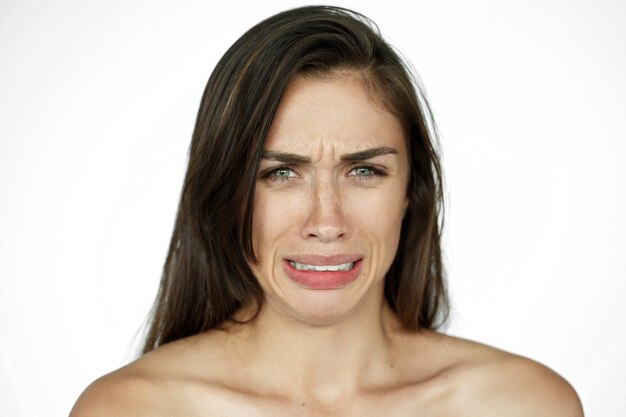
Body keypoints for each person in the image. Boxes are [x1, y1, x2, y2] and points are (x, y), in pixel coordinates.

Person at [70, 5, 583, 416]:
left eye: (364, 172)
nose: (326, 223)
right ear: (227, 191)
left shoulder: (527, 406)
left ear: (411, 190)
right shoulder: (129, 410)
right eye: (280, 173)